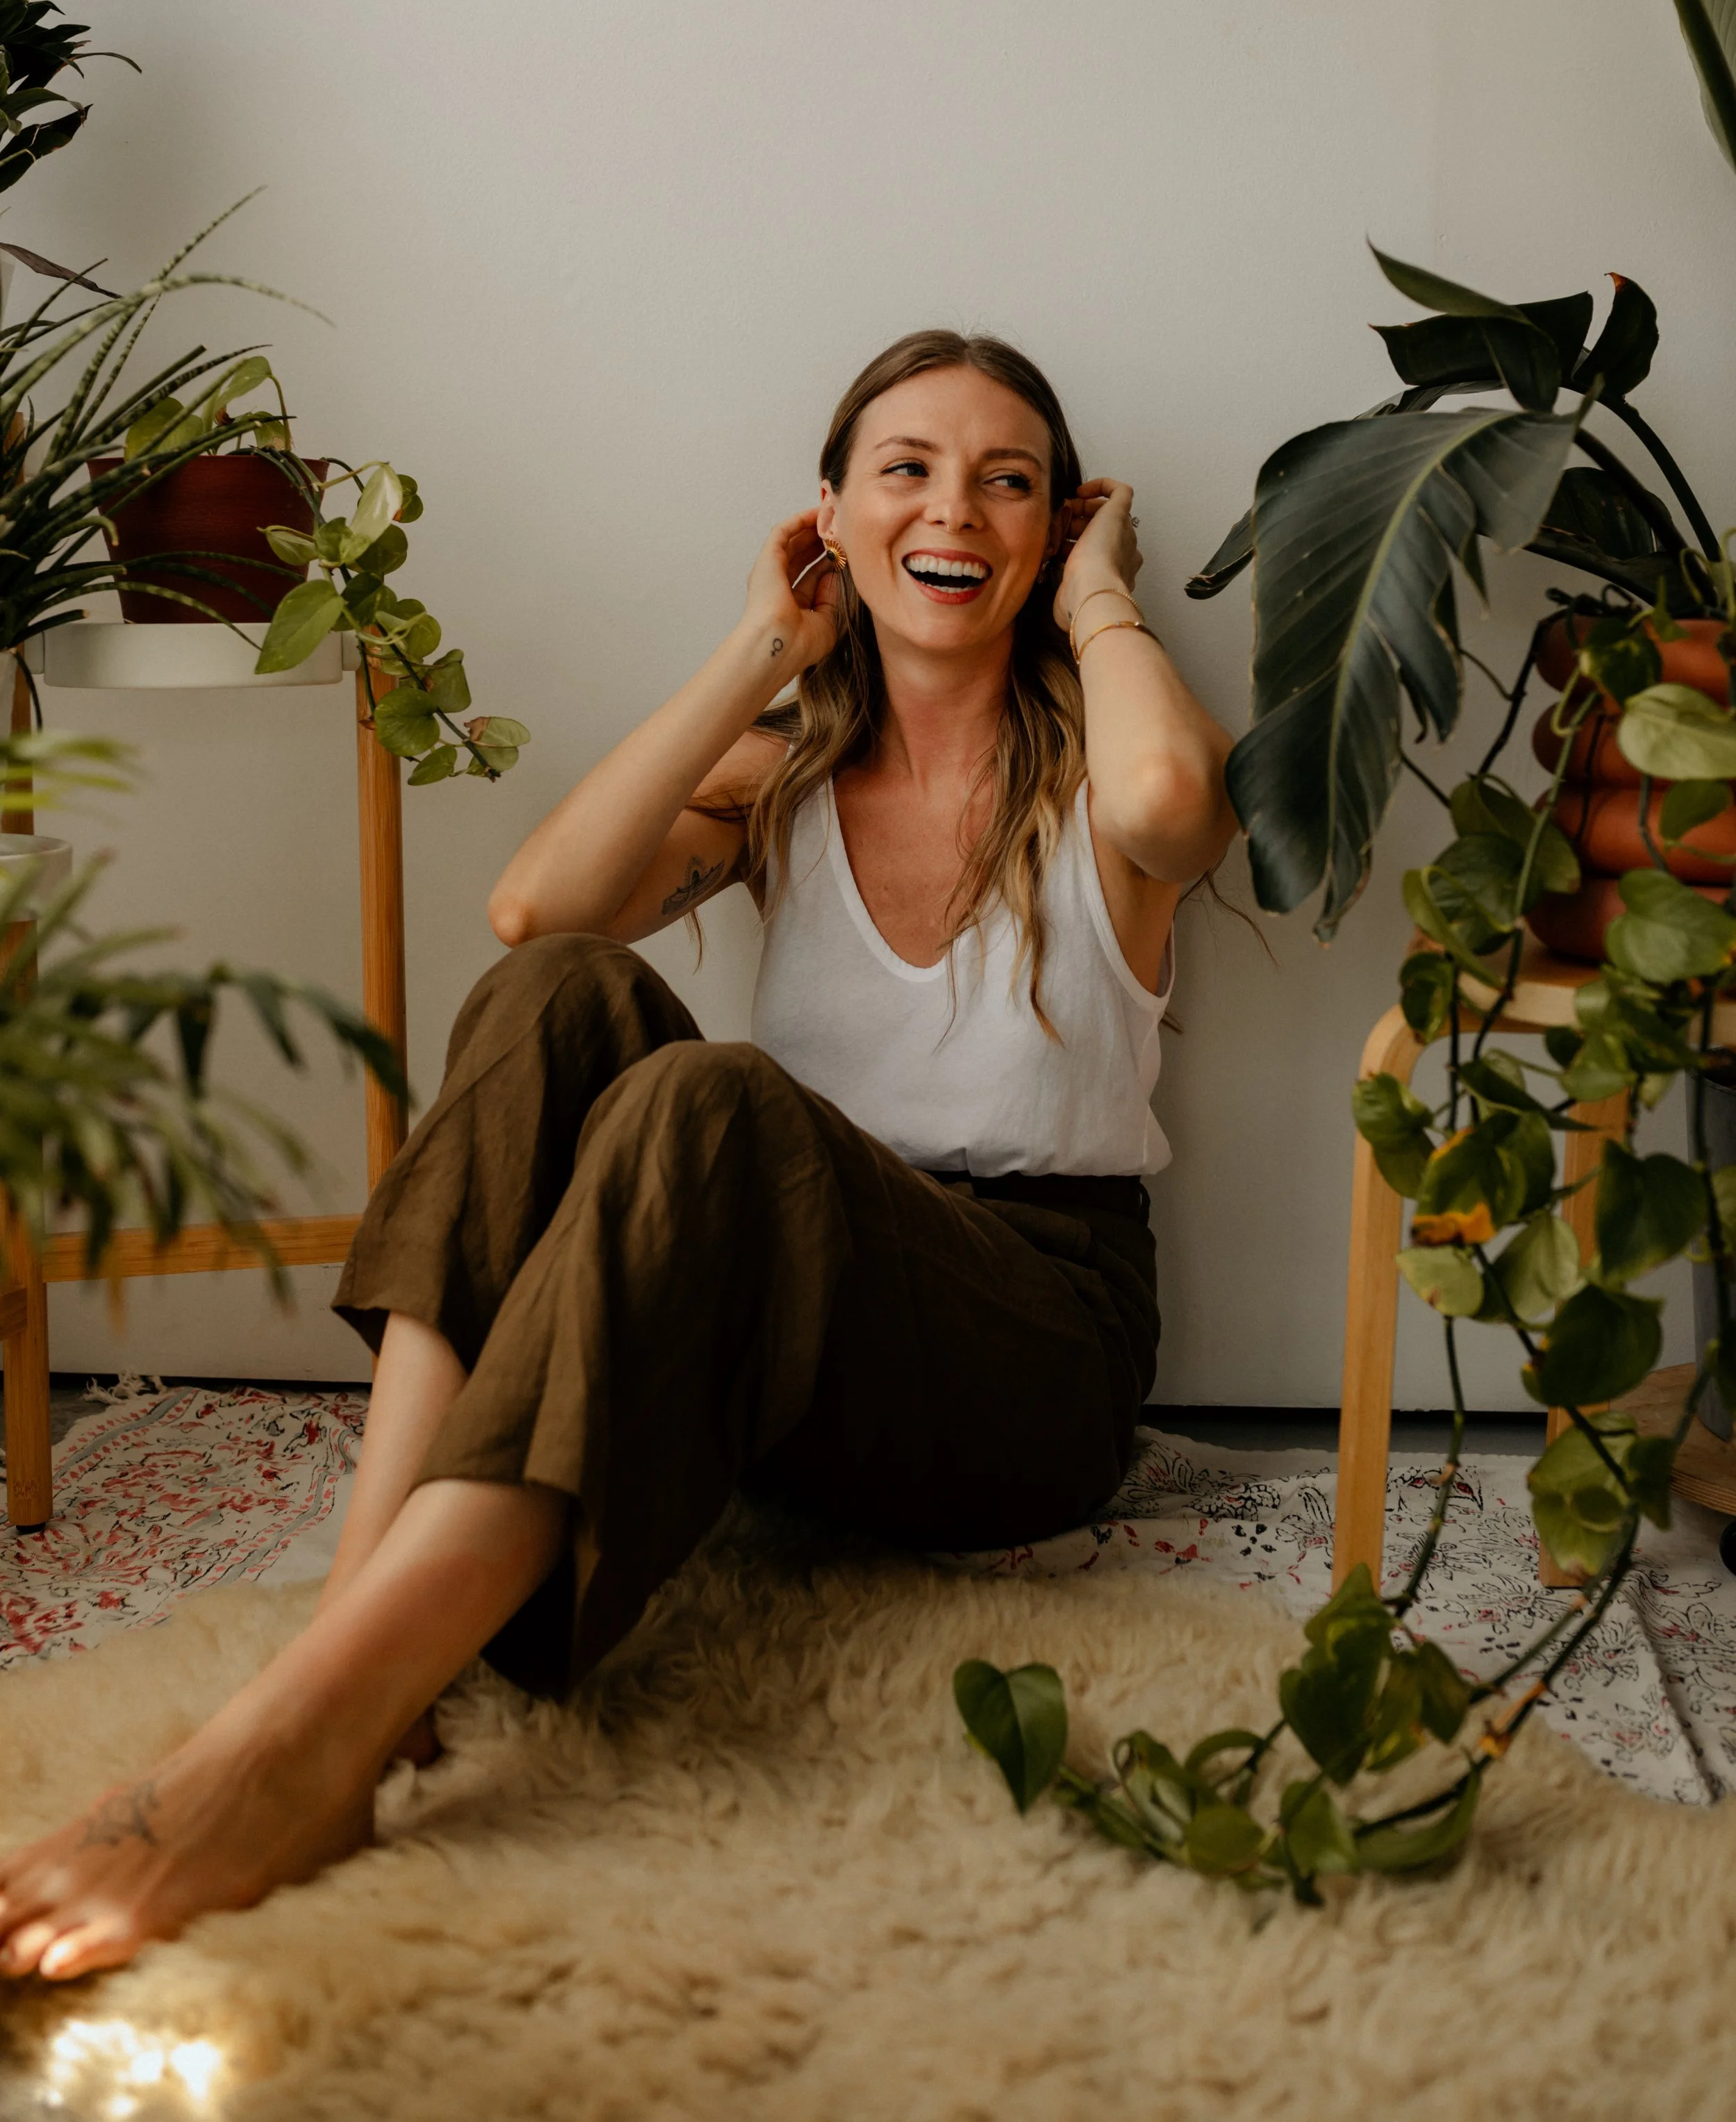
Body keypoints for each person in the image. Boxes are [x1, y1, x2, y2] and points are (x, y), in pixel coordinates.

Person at [0, 329, 1235, 1980]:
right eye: (907, 471)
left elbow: (1173, 806)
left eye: (1008, 482)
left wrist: (1101, 594)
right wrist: (752, 650)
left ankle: (298, 1738)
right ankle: (365, 1662)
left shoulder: (1096, 763)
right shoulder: (787, 767)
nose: (956, 509)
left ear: (1059, 526)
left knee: (707, 1100)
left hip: (1033, 1346)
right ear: (830, 519)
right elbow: (536, 914)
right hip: (773, 1328)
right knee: (557, 995)